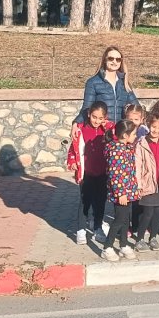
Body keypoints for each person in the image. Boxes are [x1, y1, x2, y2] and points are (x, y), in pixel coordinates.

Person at [66, 101, 115, 245]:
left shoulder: (107, 130)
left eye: (100, 118)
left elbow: (117, 137)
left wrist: (106, 126)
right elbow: (72, 148)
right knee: (85, 201)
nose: (97, 121)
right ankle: (81, 229)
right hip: (86, 173)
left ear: (105, 117)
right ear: (88, 114)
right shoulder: (80, 129)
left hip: (102, 173)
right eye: (94, 117)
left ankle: (98, 228)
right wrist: (72, 161)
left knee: (100, 202)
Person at [133, 114, 159, 251]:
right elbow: (137, 165)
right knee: (148, 213)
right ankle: (139, 239)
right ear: (148, 125)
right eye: (153, 127)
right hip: (147, 183)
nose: (155, 130)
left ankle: (153, 238)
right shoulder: (141, 143)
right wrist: (138, 184)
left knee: (158, 213)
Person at [100, 120, 139, 261]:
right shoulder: (116, 151)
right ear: (125, 135)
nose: (135, 136)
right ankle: (107, 247)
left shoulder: (126, 148)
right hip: (121, 193)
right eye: (133, 133)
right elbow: (115, 174)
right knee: (119, 219)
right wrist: (121, 193)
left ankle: (123, 244)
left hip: (128, 191)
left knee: (125, 218)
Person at [74, 47, 139, 129]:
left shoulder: (124, 83)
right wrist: (76, 123)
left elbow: (137, 108)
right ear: (105, 60)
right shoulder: (93, 82)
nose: (114, 61)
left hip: (120, 133)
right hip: (101, 131)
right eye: (111, 58)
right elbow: (87, 108)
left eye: (118, 59)